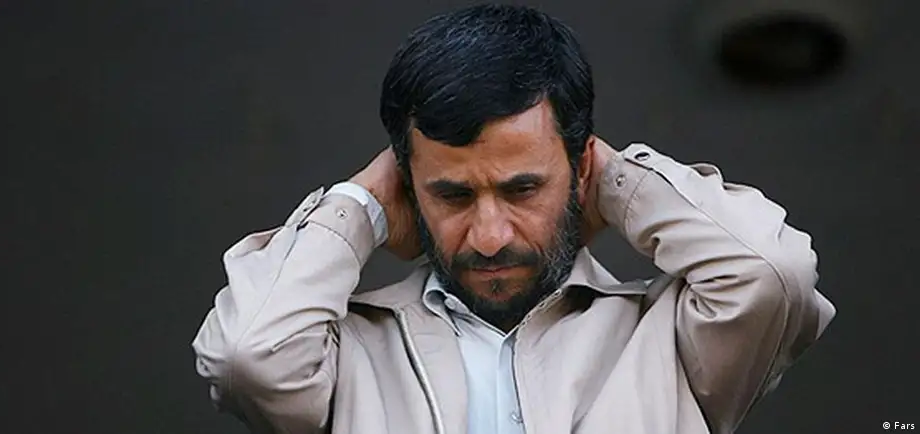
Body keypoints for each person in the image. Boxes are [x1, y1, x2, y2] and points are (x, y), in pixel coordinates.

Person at [191, 4, 836, 434]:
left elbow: (772, 273)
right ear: (408, 187)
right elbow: (248, 358)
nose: (490, 237)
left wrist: (615, 182)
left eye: (523, 188)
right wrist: (358, 206)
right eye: (452, 195)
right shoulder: (346, 355)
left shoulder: (669, 343)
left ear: (579, 170)